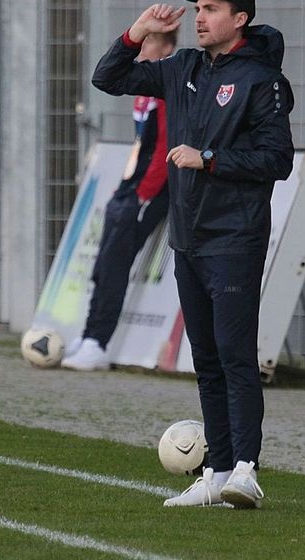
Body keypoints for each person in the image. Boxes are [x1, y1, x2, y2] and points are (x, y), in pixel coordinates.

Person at [92, 0, 294, 509]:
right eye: (197, 8)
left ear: (240, 19)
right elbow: (107, 77)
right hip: (188, 238)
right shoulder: (181, 67)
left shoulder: (261, 80)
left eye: (211, 8)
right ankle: (216, 470)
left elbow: (278, 160)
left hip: (235, 237)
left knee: (234, 356)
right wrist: (138, 32)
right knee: (204, 358)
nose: (200, 17)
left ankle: (246, 470)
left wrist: (209, 159)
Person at [63, 30, 178, 371]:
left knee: (115, 264)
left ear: (167, 48)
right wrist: (126, 186)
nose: (142, 50)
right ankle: (88, 334)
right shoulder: (142, 93)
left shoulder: (167, 92)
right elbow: (142, 147)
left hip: (150, 192)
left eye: (150, 43)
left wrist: (144, 193)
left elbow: (164, 148)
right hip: (130, 188)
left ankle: (99, 343)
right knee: (102, 265)